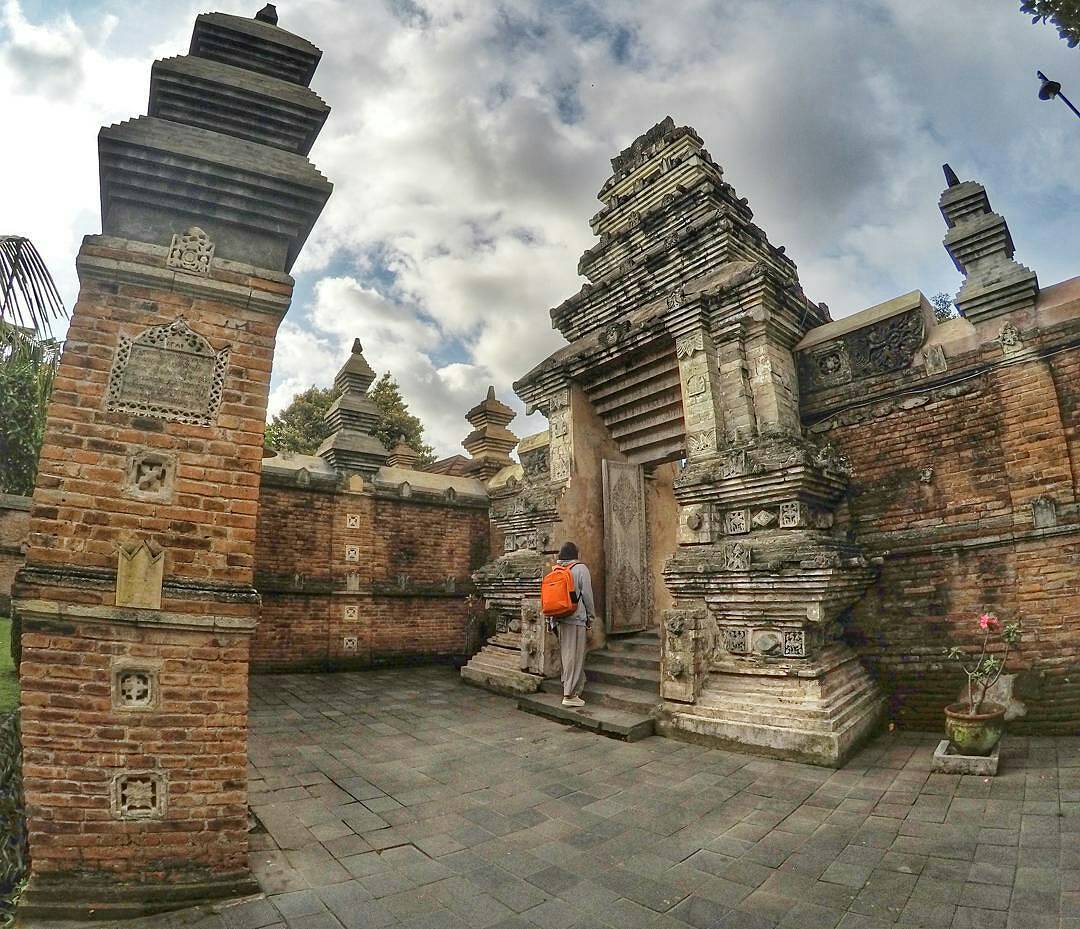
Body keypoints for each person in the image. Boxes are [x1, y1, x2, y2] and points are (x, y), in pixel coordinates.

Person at [554, 541, 595, 708]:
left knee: (566, 655)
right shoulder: (580, 569)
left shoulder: (556, 570)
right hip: (576, 619)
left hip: (560, 618)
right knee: (575, 656)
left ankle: (567, 685)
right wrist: (591, 616)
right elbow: (587, 595)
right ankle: (569, 694)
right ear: (575, 554)